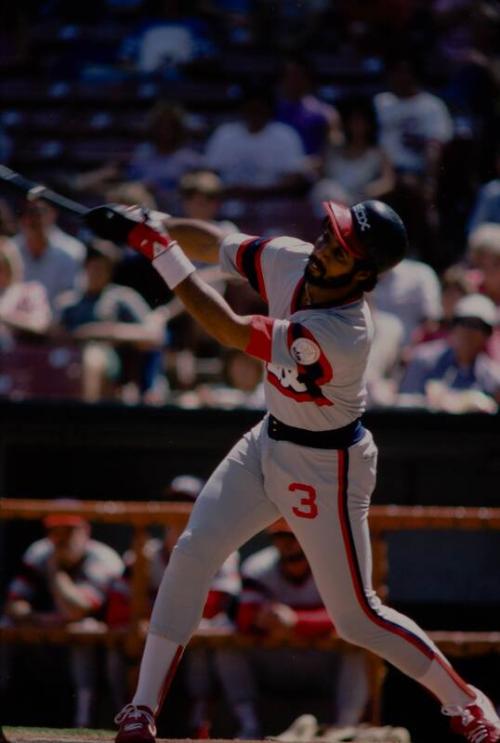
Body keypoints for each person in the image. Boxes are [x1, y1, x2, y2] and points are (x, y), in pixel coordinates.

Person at [85, 198, 500, 743]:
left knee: (356, 617)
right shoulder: (293, 258)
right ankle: (141, 709)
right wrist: (153, 223)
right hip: (267, 438)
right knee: (192, 551)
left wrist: (160, 253)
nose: (325, 246)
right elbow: (217, 241)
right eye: (331, 233)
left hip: (327, 465)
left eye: (341, 248)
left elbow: (230, 330)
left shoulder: (344, 333)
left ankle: (466, 701)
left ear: (363, 274)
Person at [106, 475, 242, 738]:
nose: (179, 511)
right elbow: (117, 608)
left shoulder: (223, 549)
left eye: (188, 503)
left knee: (203, 642)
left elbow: (212, 607)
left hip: (202, 631)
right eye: (174, 503)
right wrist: (144, 616)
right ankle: (123, 716)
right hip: (153, 630)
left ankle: (200, 725)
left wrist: (150, 611)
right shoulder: (145, 552)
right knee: (124, 641)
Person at [229, 518, 369, 736]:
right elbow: (243, 619)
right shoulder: (258, 567)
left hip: (321, 661)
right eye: (281, 537)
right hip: (274, 659)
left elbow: (353, 617)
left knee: (358, 642)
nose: (289, 544)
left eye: (294, 536)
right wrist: (262, 619)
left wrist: (297, 621)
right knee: (223, 637)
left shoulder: (333, 566)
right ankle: (249, 726)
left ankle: (345, 731)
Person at [2, 507, 124, 727]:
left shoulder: (103, 558)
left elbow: (78, 610)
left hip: (104, 646)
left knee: (83, 630)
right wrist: (40, 619)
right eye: (55, 531)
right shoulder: (39, 552)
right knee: (4, 625)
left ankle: (84, 722)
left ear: (85, 532)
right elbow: (13, 604)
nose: (61, 539)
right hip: (49, 630)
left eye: (69, 531)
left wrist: (55, 571)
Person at [55, 239, 165, 403]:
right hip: (69, 360)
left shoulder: (121, 298)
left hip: (111, 364)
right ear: (85, 267)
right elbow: (54, 335)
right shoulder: (68, 303)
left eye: (104, 268)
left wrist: (104, 331)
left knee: (93, 358)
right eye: (94, 267)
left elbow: (154, 335)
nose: (98, 272)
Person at [398, 293, 500, 413]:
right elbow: (404, 404)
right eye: (463, 322)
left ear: (487, 334)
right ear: (453, 326)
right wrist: (434, 402)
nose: (468, 331)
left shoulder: (491, 376)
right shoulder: (423, 360)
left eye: (478, 326)